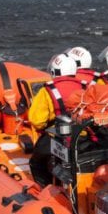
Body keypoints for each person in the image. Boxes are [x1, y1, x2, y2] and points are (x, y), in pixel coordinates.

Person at [28, 53, 87, 186]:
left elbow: (37, 121)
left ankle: (46, 189)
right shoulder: (86, 86)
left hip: (59, 137)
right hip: (84, 137)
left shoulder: (48, 90)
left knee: (36, 162)